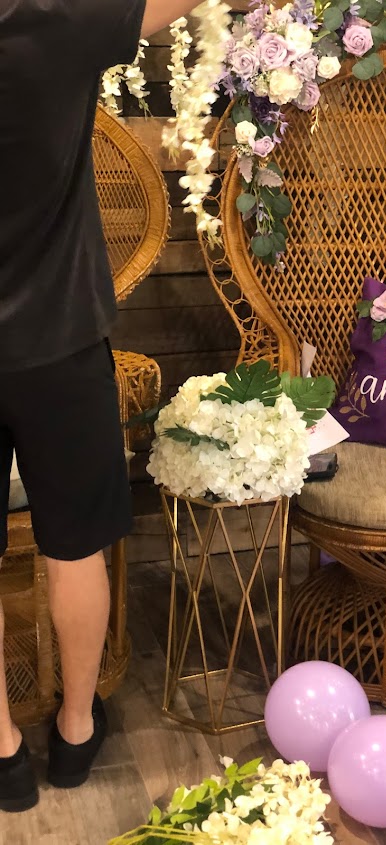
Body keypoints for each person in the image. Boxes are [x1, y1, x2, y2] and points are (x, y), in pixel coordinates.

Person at [0, 0, 209, 814]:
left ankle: (3, 753)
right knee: (75, 545)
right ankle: (76, 729)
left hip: (55, 335)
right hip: (59, 338)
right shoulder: (57, 20)